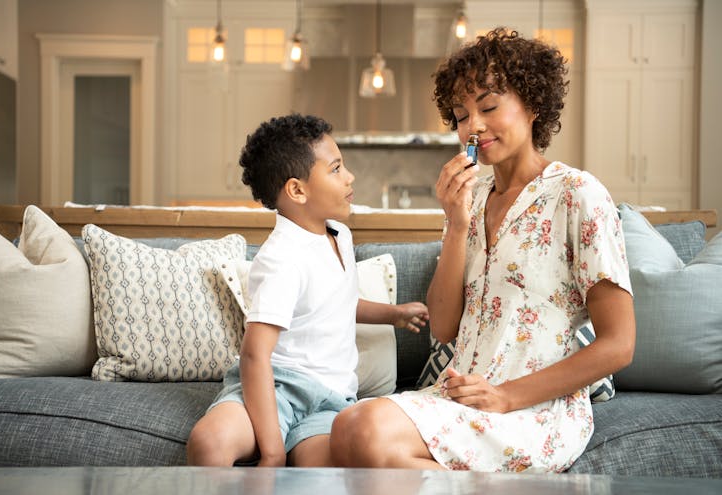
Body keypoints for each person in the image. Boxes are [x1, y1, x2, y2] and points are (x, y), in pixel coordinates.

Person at [330, 28, 636, 472]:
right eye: (460, 115)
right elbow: (445, 326)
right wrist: (456, 225)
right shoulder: (472, 200)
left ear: (533, 104)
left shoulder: (577, 194)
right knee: (348, 434)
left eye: (489, 107)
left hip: (532, 410)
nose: (472, 126)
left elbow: (619, 344)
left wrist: (507, 395)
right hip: (461, 397)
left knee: (364, 431)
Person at [186, 114, 429, 467]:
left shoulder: (338, 235)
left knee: (327, 473)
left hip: (330, 400)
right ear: (297, 190)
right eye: (336, 169)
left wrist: (394, 314)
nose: (350, 177)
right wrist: (272, 453)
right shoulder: (282, 258)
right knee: (210, 443)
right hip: (276, 390)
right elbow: (255, 355)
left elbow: (335, 302)